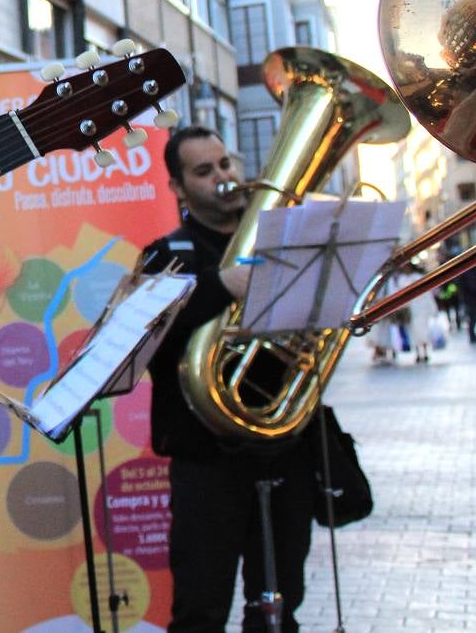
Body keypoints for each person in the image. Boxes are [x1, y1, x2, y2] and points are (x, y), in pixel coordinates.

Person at [139, 126, 315, 633]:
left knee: (280, 609)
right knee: (200, 608)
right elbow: (149, 343)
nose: (223, 177)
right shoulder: (164, 256)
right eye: (203, 171)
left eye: (224, 164)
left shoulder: (283, 244)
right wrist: (220, 284)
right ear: (177, 188)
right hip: (204, 460)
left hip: (283, 447)